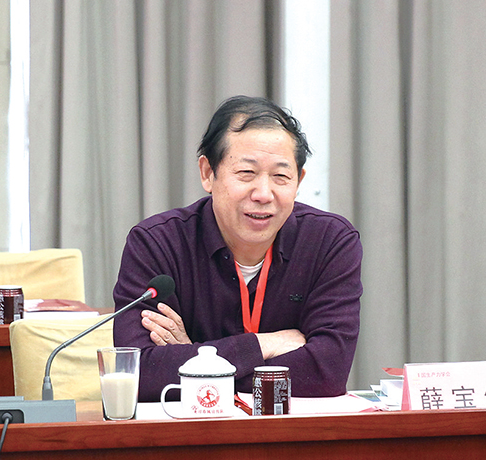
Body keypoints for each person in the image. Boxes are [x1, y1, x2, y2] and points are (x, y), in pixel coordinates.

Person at [113, 95, 362, 401]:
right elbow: (138, 374)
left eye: (281, 176)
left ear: (298, 182)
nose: (263, 194)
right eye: (246, 173)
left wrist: (197, 364)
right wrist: (263, 345)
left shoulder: (329, 242)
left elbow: (327, 373)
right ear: (208, 173)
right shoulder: (156, 244)